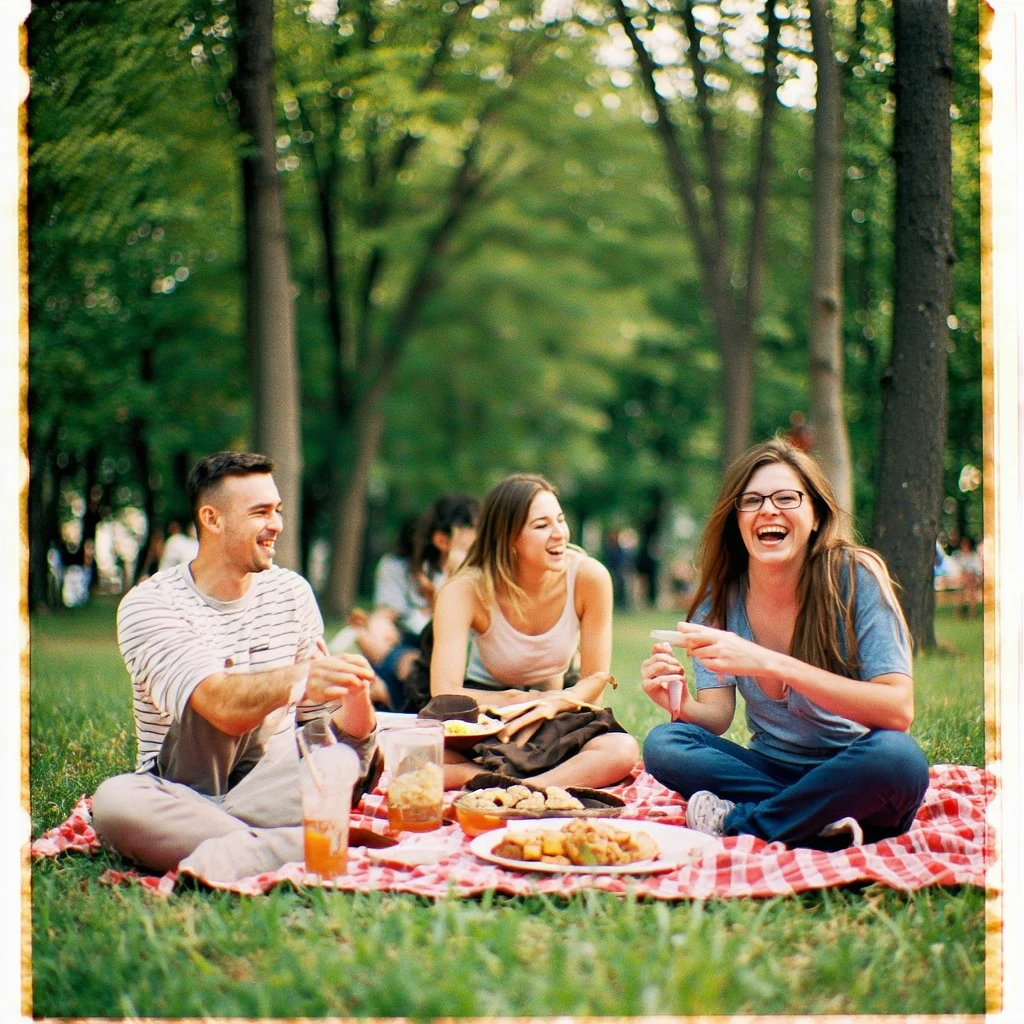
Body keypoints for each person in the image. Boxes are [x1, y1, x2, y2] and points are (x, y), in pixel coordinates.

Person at [91, 452, 380, 883]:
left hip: (270, 785)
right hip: (181, 791)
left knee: (364, 749)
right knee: (115, 803)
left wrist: (354, 697)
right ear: (212, 519)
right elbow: (219, 706)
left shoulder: (292, 593)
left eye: (278, 510)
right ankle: (300, 847)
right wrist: (301, 677)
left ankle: (232, 844)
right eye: (260, 512)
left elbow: (324, 734)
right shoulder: (151, 604)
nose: (277, 524)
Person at [640, 438, 929, 850]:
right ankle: (819, 821)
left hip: (854, 765)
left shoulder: (855, 578)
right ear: (736, 519)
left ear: (815, 515)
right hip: (770, 770)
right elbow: (718, 717)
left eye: (787, 498)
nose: (768, 509)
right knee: (665, 744)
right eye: (752, 500)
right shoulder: (718, 601)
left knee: (899, 760)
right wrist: (680, 703)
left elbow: (897, 710)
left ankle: (741, 823)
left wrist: (768, 662)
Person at [430, 473, 639, 789]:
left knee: (621, 750)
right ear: (508, 538)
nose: (560, 534)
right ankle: (541, 780)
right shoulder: (464, 590)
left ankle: (527, 789)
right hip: (486, 710)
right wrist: (513, 701)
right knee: (420, 755)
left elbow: (596, 680)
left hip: (560, 705)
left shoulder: (590, 578)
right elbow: (444, 691)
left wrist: (550, 704)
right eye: (542, 526)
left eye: (560, 520)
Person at [351, 494, 480, 708]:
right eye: (474, 534)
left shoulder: (477, 573)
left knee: (408, 665)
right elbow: (385, 615)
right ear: (441, 540)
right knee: (402, 659)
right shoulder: (402, 568)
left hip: (442, 658)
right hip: (415, 648)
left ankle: (388, 700)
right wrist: (377, 631)